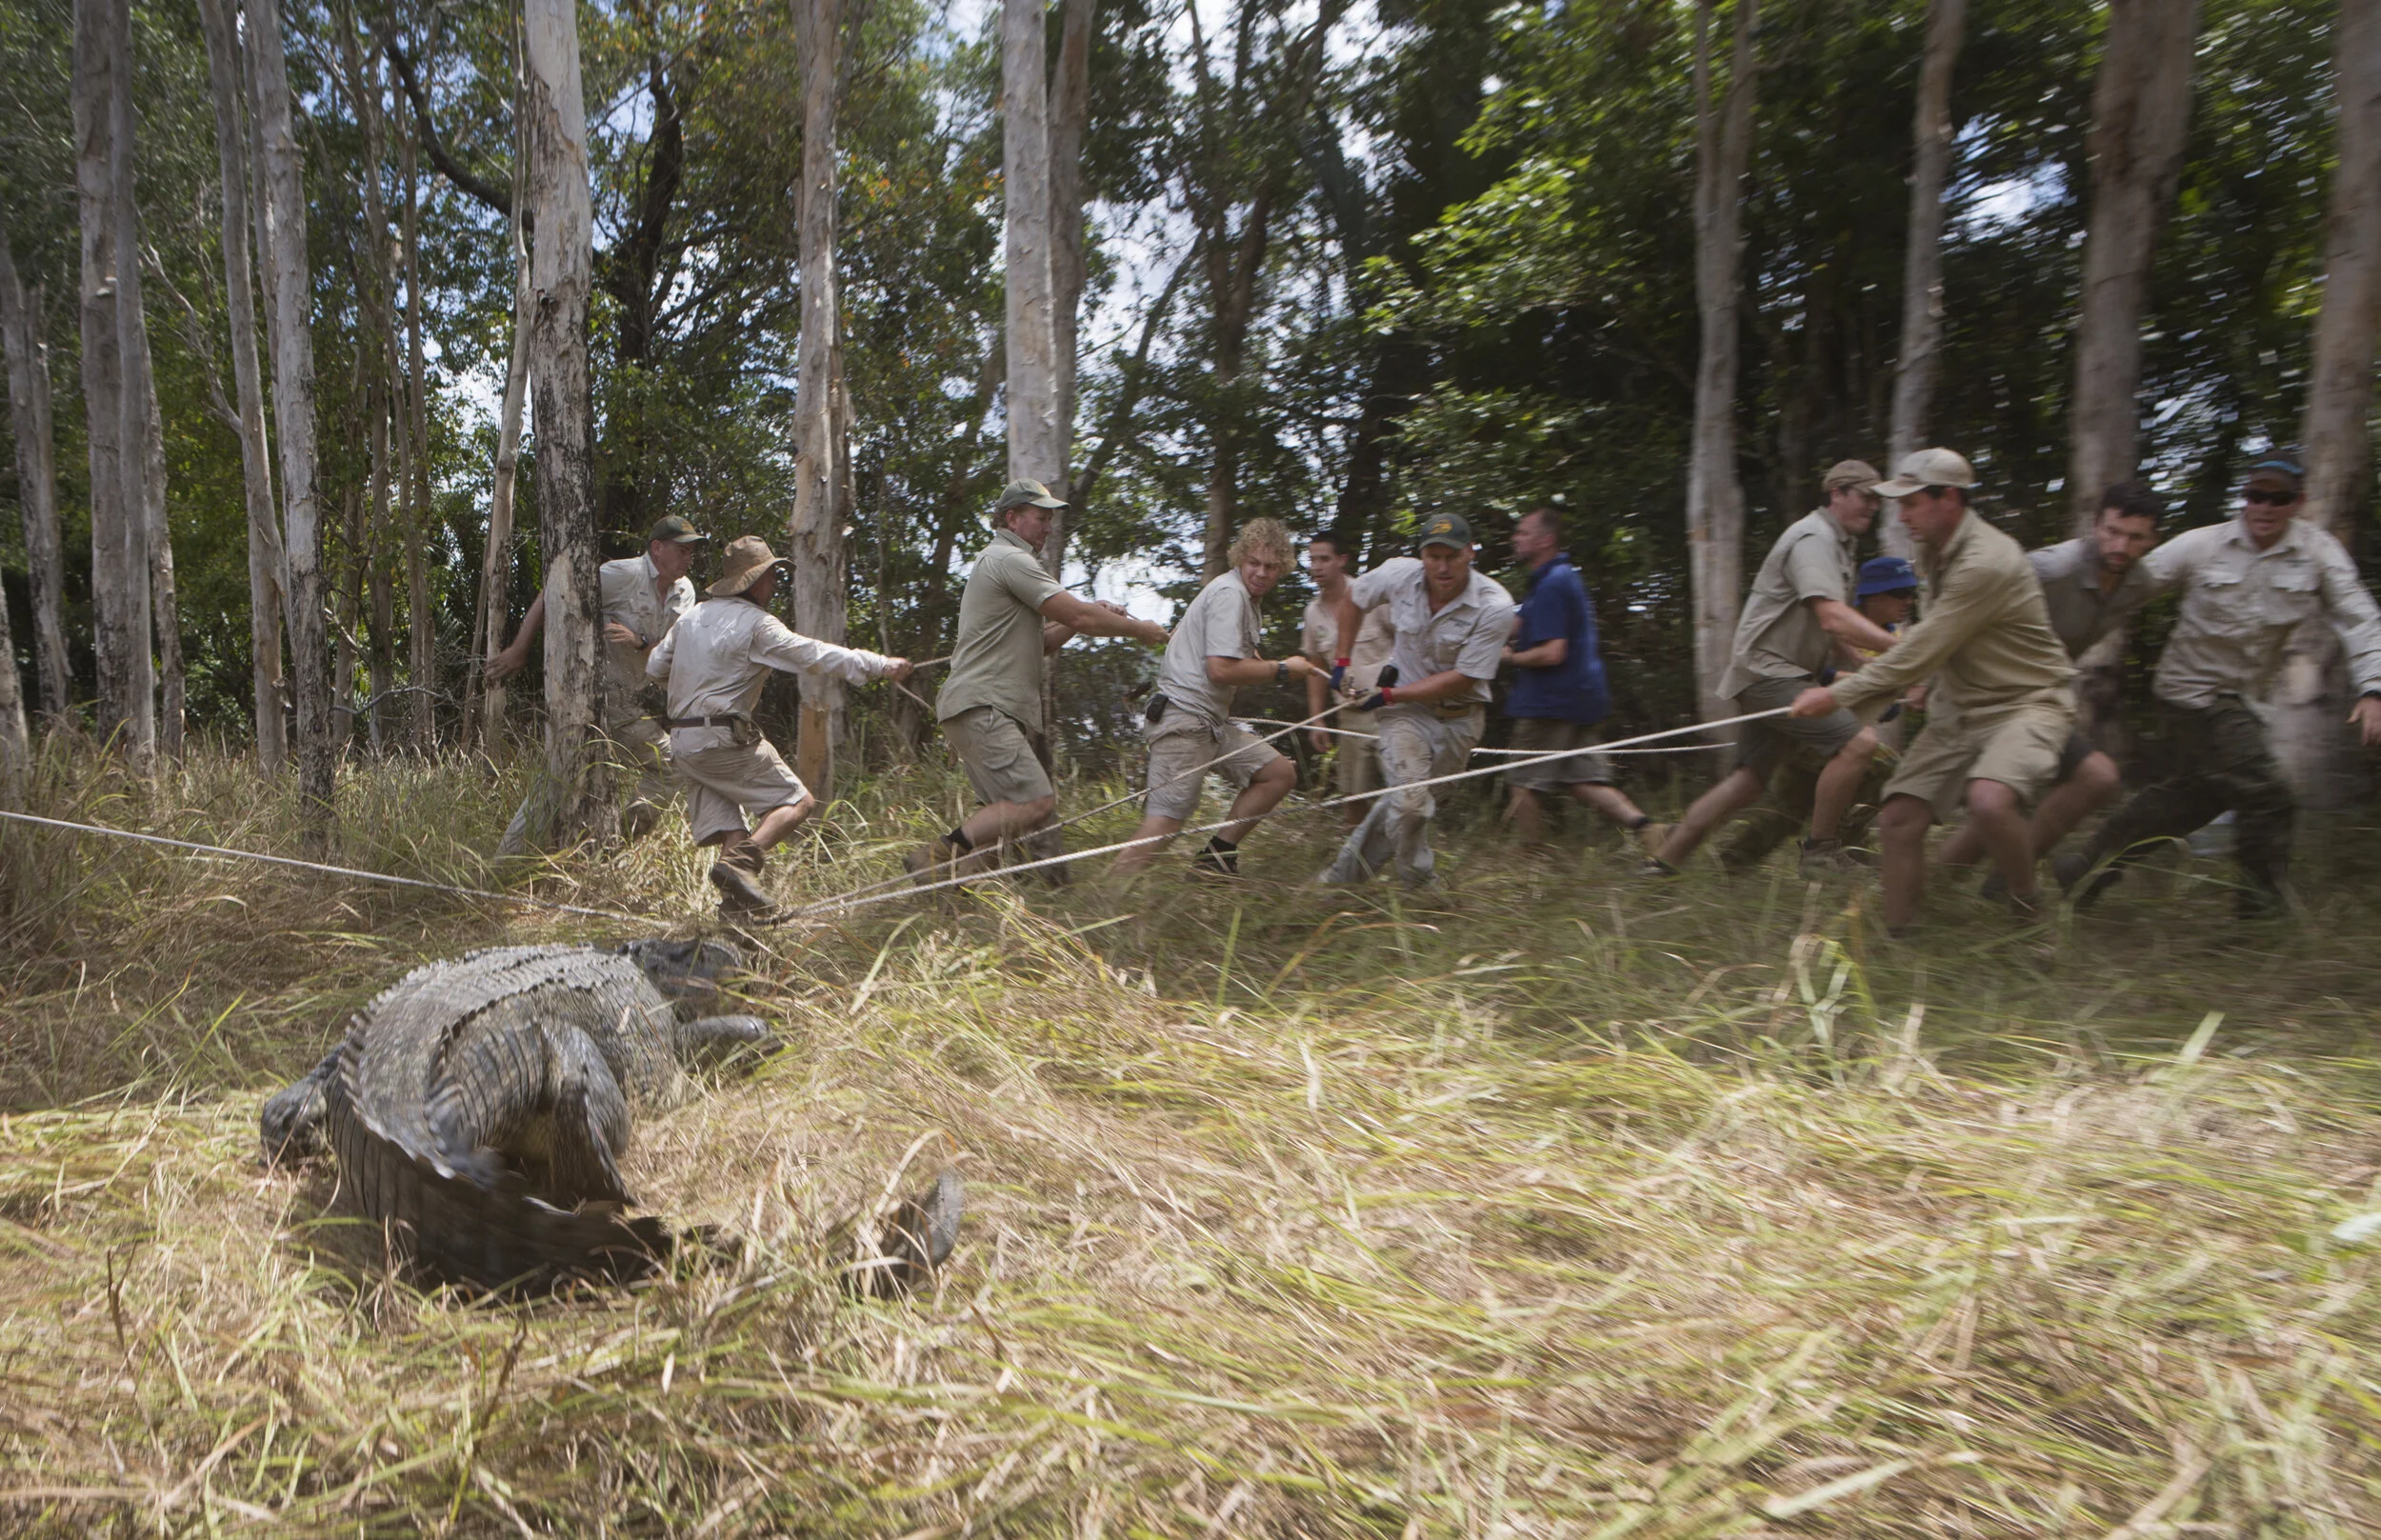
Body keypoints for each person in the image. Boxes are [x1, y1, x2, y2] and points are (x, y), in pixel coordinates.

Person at [2058, 454, 2381, 918]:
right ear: (2243, 497)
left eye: (2278, 498)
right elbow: (2125, 588)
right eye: (2255, 495)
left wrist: (2373, 688)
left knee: (2195, 799)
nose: (2264, 507)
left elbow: (2360, 619)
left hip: (2245, 703)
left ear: (2298, 502)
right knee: (2268, 794)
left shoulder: (2318, 553)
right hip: (2189, 694)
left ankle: (2083, 870)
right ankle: (2259, 918)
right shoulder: (2202, 545)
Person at [1787, 449, 2076, 930]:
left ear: (1952, 499)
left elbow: (1921, 648)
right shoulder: (1931, 548)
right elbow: (1941, 645)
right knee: (1897, 821)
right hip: (1961, 706)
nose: (1902, 516)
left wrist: (1838, 697)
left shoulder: (1987, 562)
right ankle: (1900, 940)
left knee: (1989, 800)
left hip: (2027, 704)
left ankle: (2028, 909)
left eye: (1912, 503)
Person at [1643, 461, 1899, 877]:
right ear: (1837, 493)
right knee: (1859, 746)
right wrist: (1906, 651)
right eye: (1867, 496)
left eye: (1877, 500)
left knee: (1748, 783)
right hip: (1771, 673)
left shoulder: (1838, 545)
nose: (1873, 506)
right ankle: (1820, 852)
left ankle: (1663, 864)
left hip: (1775, 673)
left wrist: (1859, 661)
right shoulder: (1813, 538)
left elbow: (1825, 622)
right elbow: (1833, 616)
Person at [905, 480, 1170, 882]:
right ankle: (935, 855)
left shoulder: (998, 563)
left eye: (1050, 519)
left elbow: (1044, 640)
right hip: (984, 706)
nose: (1047, 527)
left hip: (972, 707)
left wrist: (1080, 620)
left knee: (1001, 827)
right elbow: (1079, 615)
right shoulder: (1011, 559)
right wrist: (1139, 630)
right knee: (1036, 803)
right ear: (1012, 518)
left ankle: (952, 905)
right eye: (1041, 518)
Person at [647, 535, 911, 914]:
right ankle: (739, 865)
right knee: (797, 801)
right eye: (772, 575)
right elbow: (813, 654)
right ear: (755, 580)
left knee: (733, 831)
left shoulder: (692, 617)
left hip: (684, 744)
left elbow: (655, 667)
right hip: (721, 738)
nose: (775, 583)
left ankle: (737, 917)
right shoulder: (757, 625)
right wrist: (879, 665)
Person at [1936, 481, 2162, 882]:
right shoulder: (2053, 569)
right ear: (2095, 526)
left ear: (2151, 540)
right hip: (1985, 693)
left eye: (2135, 537)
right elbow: (1967, 606)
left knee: (2092, 780)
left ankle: (2003, 878)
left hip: (2038, 699)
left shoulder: (2138, 585)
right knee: (2006, 796)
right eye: (2113, 532)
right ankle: (1939, 888)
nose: (2121, 546)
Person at [1315, 511, 1517, 890]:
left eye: (1451, 557)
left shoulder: (1495, 606)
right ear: (1422, 556)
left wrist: (1387, 694)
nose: (1442, 567)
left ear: (1470, 553)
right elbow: (1354, 601)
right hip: (1406, 715)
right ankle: (1422, 887)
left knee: (1407, 806)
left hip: (1461, 718)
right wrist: (1342, 661)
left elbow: (1466, 678)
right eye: (1433, 556)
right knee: (1409, 804)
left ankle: (1340, 882)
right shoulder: (1398, 575)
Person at [1110, 518, 1317, 880]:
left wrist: (1280, 666)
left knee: (1277, 774)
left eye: (1270, 566)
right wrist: (1282, 669)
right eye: (1254, 562)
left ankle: (1215, 858)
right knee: (1165, 824)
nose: (1261, 572)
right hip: (1184, 720)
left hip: (1210, 724)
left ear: (1281, 568)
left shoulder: (1246, 601)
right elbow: (1221, 670)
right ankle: (1101, 902)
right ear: (1239, 559)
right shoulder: (1230, 594)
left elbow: (1238, 660)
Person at [490, 515, 708, 850]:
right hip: (590, 692)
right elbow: (554, 591)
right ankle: (520, 858)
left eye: (691, 552)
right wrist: (519, 650)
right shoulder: (624, 575)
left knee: (570, 776)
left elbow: (673, 650)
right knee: (572, 774)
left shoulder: (684, 592)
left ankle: (602, 848)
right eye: (682, 550)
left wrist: (640, 640)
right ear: (657, 548)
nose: (688, 559)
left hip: (625, 700)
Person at [1715, 555, 1917, 873]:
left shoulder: (1897, 640)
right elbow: (1812, 678)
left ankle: (1737, 859)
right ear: (1876, 596)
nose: (1909, 600)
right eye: (1901, 592)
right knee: (1885, 766)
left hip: (1844, 739)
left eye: (1911, 593)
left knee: (1792, 809)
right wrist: (1865, 683)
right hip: (1810, 731)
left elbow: (1888, 705)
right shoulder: (1835, 629)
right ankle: (1841, 848)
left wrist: (1886, 697)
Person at [1500, 505, 1666, 854]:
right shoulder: (1559, 579)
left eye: (1524, 533)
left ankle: (1532, 858)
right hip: (1581, 698)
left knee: (1521, 782)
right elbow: (1521, 624)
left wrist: (1510, 657)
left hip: (1550, 701)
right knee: (1582, 780)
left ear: (1546, 540)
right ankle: (1650, 830)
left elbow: (1552, 652)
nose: (1516, 538)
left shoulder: (1551, 585)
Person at [1301, 531, 1394, 830]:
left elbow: (1408, 642)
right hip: (1350, 713)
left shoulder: (1371, 596)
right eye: (1312, 559)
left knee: (1404, 788)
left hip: (1390, 709)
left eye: (1324, 559)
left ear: (1342, 561)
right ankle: (1356, 866)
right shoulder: (1312, 613)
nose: (1317, 566)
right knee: (1353, 794)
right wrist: (1317, 718)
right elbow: (1315, 666)